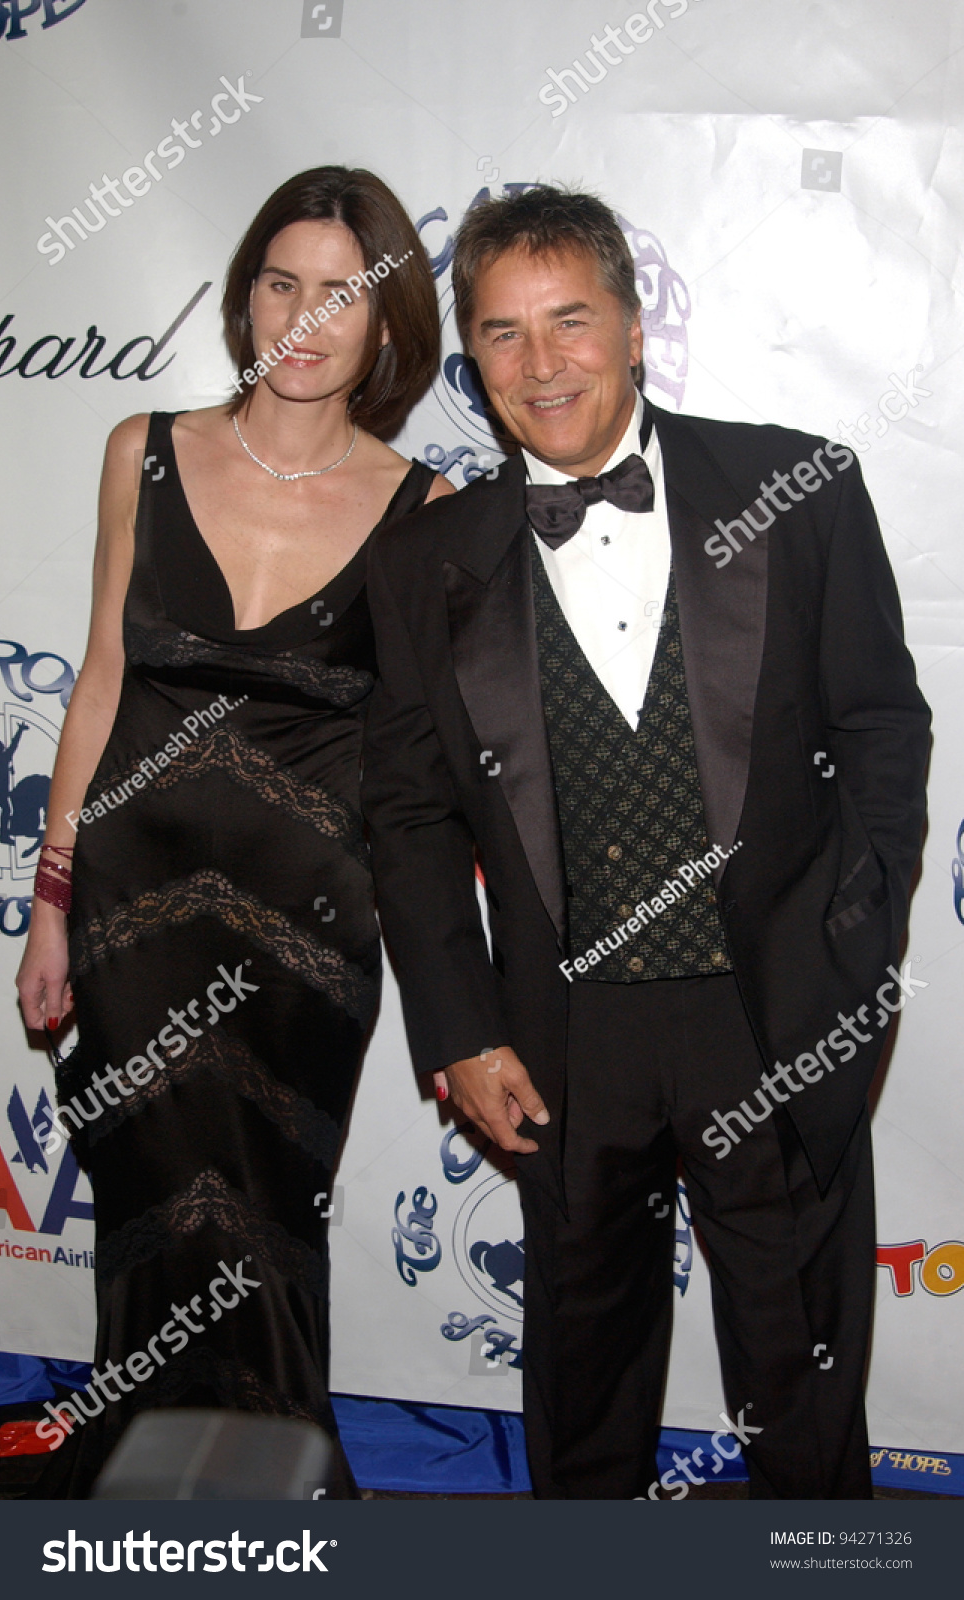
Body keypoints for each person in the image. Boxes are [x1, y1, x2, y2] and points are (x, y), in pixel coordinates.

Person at [361, 185, 930, 1499]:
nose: (542, 363)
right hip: (562, 1036)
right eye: (503, 333)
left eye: (571, 321)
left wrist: (856, 936)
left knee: (803, 1372)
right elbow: (409, 814)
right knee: (584, 1368)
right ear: (472, 358)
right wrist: (458, 1025)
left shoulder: (796, 489)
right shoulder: (424, 563)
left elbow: (882, 726)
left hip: (773, 1006)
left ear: (631, 327)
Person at [16, 165, 452, 1495]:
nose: (305, 317)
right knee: (149, 1200)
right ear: (243, 295)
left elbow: (423, 762)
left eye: (342, 292)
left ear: (387, 326)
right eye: (281, 281)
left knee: (265, 1206)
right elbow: (101, 679)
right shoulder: (141, 449)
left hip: (309, 930)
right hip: (130, 911)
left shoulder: (421, 508)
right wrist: (49, 899)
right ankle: (142, 1474)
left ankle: (273, 1482)